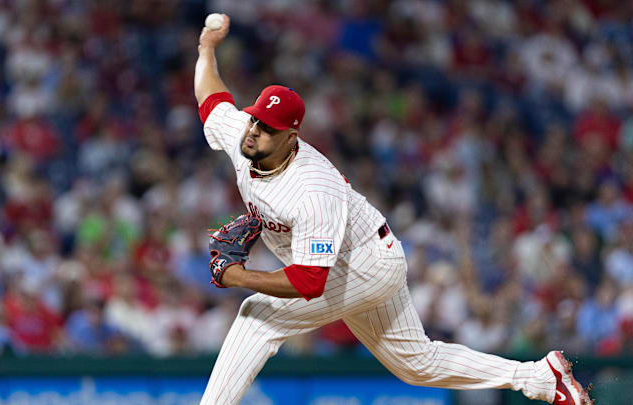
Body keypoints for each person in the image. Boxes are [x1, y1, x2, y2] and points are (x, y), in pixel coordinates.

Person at [193, 15, 593, 405]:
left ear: (291, 136)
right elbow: (211, 98)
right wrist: (207, 48)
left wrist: (241, 276)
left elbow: (310, 281)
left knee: (259, 315)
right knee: (416, 365)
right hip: (363, 257)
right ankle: (541, 377)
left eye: (268, 127)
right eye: (256, 120)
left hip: (362, 263)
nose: (255, 130)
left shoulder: (312, 188)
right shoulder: (244, 134)